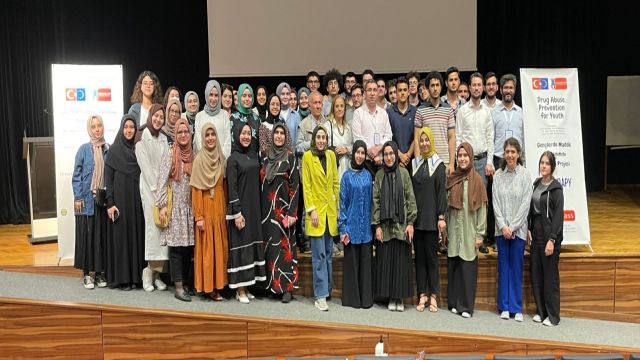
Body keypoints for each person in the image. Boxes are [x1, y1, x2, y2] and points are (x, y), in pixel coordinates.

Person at [372, 141, 417, 312]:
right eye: (386, 154)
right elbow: (375, 201)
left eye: (392, 154)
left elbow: (410, 198)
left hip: (401, 226)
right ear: (383, 156)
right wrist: (376, 225)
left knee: (400, 263)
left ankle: (399, 298)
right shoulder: (379, 175)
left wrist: (411, 222)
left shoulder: (404, 174)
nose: (389, 157)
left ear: (396, 155)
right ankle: (391, 297)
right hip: (385, 227)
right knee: (387, 263)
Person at [446, 143, 488, 318]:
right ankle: (455, 303)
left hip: (469, 232)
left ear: (471, 158)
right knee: (455, 268)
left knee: (467, 270)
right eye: (460, 155)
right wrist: (446, 231)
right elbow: (448, 208)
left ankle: (466, 306)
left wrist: (480, 234)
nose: (462, 159)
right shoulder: (452, 178)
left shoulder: (477, 180)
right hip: (455, 231)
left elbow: (482, 209)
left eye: (465, 156)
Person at [492, 138, 532, 322]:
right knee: (504, 267)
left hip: (518, 231)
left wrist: (514, 226)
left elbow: (525, 204)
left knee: (516, 268)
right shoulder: (498, 176)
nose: (510, 155)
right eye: (507, 152)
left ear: (519, 154)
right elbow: (495, 203)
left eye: (513, 152)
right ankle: (504, 307)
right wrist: (503, 226)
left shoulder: (525, 175)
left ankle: (516, 307)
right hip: (502, 231)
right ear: (504, 154)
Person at [156, 119, 195, 302]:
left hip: (190, 208)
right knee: (177, 249)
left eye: (186, 131)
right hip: (175, 209)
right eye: (179, 132)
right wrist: (162, 206)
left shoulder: (194, 155)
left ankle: (185, 283)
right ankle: (178, 286)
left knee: (188, 248)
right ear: (175, 135)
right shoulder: (171, 154)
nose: (183, 135)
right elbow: (162, 181)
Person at [226, 123, 266, 303]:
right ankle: (239, 289)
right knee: (241, 246)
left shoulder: (252, 155)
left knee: (251, 246)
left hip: (254, 209)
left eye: (249, 133)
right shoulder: (233, 159)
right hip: (241, 211)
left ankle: (247, 285)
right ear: (236, 134)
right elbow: (232, 188)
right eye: (243, 133)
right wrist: (237, 213)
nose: (246, 136)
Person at [104, 115, 145, 290]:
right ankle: (122, 279)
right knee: (121, 240)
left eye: (132, 127)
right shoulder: (113, 151)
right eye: (126, 127)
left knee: (135, 237)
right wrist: (110, 202)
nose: (129, 130)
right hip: (119, 203)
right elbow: (109, 180)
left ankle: (136, 278)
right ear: (122, 129)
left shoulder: (137, 151)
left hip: (135, 202)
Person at [260, 123, 300, 303]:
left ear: (286, 137)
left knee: (285, 249)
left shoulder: (290, 158)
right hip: (267, 212)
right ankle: (273, 286)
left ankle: (287, 288)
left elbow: (296, 187)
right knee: (270, 249)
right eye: (276, 133)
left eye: (282, 133)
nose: (278, 136)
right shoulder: (265, 157)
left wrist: (292, 213)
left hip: (284, 213)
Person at [302, 126, 339, 311]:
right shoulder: (308, 157)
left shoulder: (332, 156)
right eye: (319, 137)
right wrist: (311, 210)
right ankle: (320, 295)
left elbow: (335, 183)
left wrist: (337, 206)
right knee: (319, 256)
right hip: (316, 214)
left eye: (324, 137)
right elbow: (306, 186)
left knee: (329, 255)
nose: (322, 141)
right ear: (314, 139)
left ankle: (328, 289)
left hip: (330, 213)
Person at [190, 123, 229, 301]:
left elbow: (225, 186)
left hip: (219, 209)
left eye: (213, 134)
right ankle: (207, 287)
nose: (211, 138)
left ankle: (218, 285)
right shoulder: (199, 160)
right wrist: (198, 216)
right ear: (203, 138)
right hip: (205, 208)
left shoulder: (221, 158)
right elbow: (196, 191)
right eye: (207, 135)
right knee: (207, 249)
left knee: (219, 248)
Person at [134, 104, 169, 292]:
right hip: (149, 188)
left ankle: (158, 275)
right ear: (150, 116)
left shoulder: (163, 138)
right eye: (155, 116)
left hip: (164, 188)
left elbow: (166, 164)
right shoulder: (142, 137)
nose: (158, 119)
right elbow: (146, 168)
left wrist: (164, 191)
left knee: (163, 231)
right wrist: (157, 192)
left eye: (161, 117)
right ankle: (147, 273)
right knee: (152, 230)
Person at [411, 127, 447, 313]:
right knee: (420, 260)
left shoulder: (438, 165)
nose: (424, 143)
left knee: (432, 259)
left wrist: (441, 216)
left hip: (432, 220)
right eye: (421, 140)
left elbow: (441, 193)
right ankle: (422, 294)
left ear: (431, 141)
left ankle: (433, 295)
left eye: (427, 140)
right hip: (417, 221)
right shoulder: (414, 164)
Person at [72, 114, 109, 289]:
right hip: (86, 201)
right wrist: (78, 197)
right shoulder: (83, 150)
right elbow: (76, 175)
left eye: (99, 126)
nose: (97, 129)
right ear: (89, 129)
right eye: (93, 126)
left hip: (101, 201)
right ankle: (87, 274)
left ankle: (100, 273)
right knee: (87, 237)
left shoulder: (107, 149)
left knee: (100, 237)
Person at [528, 151, 564, 326]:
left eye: (547, 163)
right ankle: (541, 312)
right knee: (536, 275)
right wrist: (528, 228)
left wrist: (552, 239)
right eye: (542, 163)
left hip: (549, 237)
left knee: (550, 278)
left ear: (552, 167)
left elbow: (558, 217)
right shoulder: (536, 184)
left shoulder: (556, 189)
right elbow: (531, 209)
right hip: (535, 234)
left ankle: (553, 316)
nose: (543, 166)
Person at [339, 140, 373, 309]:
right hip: (351, 229)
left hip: (365, 229)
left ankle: (366, 299)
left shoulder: (368, 175)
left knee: (366, 266)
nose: (360, 156)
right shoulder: (346, 176)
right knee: (352, 265)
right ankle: (353, 299)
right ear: (353, 154)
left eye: (363, 153)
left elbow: (372, 203)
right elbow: (342, 203)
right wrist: (343, 228)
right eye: (357, 152)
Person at [414, 71, 456, 175]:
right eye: (432, 85)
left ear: (441, 87)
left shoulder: (448, 110)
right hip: (426, 161)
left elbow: (452, 137)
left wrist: (451, 163)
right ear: (427, 88)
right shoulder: (420, 110)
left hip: (444, 161)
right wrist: (418, 163)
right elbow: (416, 138)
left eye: (437, 85)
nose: (435, 88)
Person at [456, 72, 494, 185]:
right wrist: (458, 162)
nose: (476, 88)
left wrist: (489, 162)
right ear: (469, 88)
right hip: (466, 161)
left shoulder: (487, 111)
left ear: (483, 88)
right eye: (474, 85)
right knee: (465, 197)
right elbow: (458, 137)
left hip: (483, 162)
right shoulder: (462, 111)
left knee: (481, 199)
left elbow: (490, 138)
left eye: (479, 85)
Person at [352, 80, 393, 176]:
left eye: (375, 90)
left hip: (382, 161)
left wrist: (378, 149)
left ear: (378, 93)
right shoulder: (358, 113)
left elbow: (389, 135)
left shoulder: (384, 113)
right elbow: (357, 138)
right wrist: (371, 152)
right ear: (364, 94)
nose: (372, 93)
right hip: (365, 162)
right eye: (369, 90)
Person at [194, 80, 232, 157]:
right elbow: (198, 142)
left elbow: (227, 142)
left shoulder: (224, 115)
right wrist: (208, 159)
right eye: (211, 95)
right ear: (206, 94)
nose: (213, 98)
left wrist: (221, 158)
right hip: (205, 161)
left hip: (221, 162)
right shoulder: (199, 116)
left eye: (216, 95)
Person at [387, 77, 416, 169]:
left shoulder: (415, 111)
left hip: (412, 161)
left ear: (408, 92)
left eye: (404, 90)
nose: (402, 93)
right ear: (396, 92)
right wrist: (400, 155)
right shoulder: (388, 112)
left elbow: (417, 136)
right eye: (399, 90)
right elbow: (388, 137)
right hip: (394, 160)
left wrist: (407, 156)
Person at [231, 83, 261, 155]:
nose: (247, 99)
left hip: (254, 162)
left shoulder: (257, 119)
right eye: (244, 96)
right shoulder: (232, 119)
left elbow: (259, 146)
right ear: (239, 97)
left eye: (249, 96)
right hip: (237, 162)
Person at [328, 95, 352, 180]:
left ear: (345, 109)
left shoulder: (348, 128)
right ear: (333, 109)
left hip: (347, 170)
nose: (339, 109)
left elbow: (354, 147)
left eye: (342, 106)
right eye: (337, 106)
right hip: (333, 171)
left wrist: (347, 149)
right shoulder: (327, 126)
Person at [276, 82, 301, 148]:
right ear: (278, 95)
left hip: (291, 156)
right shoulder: (274, 114)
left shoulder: (296, 115)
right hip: (276, 156)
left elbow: (298, 139)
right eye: (283, 94)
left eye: (287, 94)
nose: (285, 96)